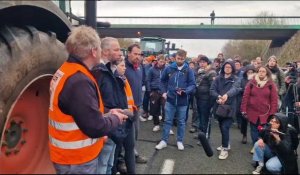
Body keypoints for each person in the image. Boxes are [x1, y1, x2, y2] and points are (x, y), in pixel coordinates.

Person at [48, 25, 127, 174]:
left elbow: (80, 111)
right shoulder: (79, 81)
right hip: (77, 160)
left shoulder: (66, 71)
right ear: (93, 51)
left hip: (67, 156)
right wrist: (115, 118)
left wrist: (108, 112)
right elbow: (95, 126)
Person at [91, 37, 127, 174]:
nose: (120, 53)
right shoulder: (98, 71)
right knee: (102, 164)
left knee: (109, 163)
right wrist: (108, 113)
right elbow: (93, 102)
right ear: (105, 52)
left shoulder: (112, 71)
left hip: (114, 124)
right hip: (105, 125)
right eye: (116, 49)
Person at [155, 49, 196, 151]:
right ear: (175, 57)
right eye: (178, 58)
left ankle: (179, 141)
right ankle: (164, 141)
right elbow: (162, 81)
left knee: (181, 122)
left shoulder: (188, 70)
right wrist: (164, 92)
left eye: (182, 59)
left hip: (183, 101)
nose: (180, 60)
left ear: (185, 58)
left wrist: (185, 91)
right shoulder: (169, 68)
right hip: (170, 100)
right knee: (167, 121)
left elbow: (192, 84)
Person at [241, 66, 278, 153]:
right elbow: (245, 97)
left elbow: (274, 100)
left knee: (263, 130)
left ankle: (261, 146)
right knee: (253, 130)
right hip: (252, 111)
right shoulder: (251, 83)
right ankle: (256, 146)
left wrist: (272, 113)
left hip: (265, 113)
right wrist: (243, 109)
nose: (261, 73)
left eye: (263, 71)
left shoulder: (271, 85)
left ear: (267, 73)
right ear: (257, 72)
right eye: (259, 71)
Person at [210, 61, 240, 160]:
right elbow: (212, 90)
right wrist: (218, 97)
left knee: (225, 127)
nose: (227, 68)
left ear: (232, 69)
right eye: (226, 67)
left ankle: (225, 149)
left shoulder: (236, 79)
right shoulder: (218, 78)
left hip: (230, 107)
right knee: (221, 126)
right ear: (223, 68)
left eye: (229, 67)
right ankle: (226, 143)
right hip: (219, 106)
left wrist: (226, 95)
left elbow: (235, 89)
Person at [125, 43, 148, 164]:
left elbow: (142, 81)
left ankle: (133, 154)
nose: (138, 57)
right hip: (125, 108)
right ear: (128, 53)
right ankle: (122, 160)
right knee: (124, 135)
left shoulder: (140, 67)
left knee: (135, 133)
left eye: (140, 54)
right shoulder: (122, 67)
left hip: (137, 106)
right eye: (135, 54)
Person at [195, 56, 217, 139]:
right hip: (199, 98)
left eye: (204, 62)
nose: (202, 63)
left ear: (207, 63)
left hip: (207, 100)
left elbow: (213, 88)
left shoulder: (211, 73)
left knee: (205, 119)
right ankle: (201, 134)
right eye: (200, 62)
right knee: (200, 117)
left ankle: (205, 136)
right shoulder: (200, 72)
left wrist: (211, 102)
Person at [147, 54, 166, 132]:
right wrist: (149, 91)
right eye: (161, 61)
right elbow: (148, 80)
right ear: (157, 61)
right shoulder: (151, 69)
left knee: (165, 109)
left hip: (164, 92)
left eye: (163, 61)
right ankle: (156, 124)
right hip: (154, 91)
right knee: (155, 109)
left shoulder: (167, 69)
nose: (162, 63)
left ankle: (166, 126)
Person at [238, 65, 256, 144]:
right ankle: (244, 135)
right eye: (249, 72)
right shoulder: (242, 80)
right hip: (244, 101)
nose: (250, 73)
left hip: (254, 102)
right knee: (244, 120)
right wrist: (244, 90)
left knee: (254, 121)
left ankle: (255, 138)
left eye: (252, 72)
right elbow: (238, 89)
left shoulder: (257, 80)